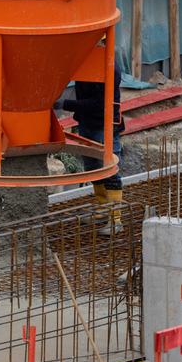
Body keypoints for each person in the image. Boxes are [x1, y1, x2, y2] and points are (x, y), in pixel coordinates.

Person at [54, 61, 125, 235]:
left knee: (110, 170)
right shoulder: (84, 62)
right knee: (92, 167)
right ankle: (103, 209)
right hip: (87, 122)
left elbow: (99, 103)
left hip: (105, 124)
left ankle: (116, 219)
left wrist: (65, 104)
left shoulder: (109, 68)